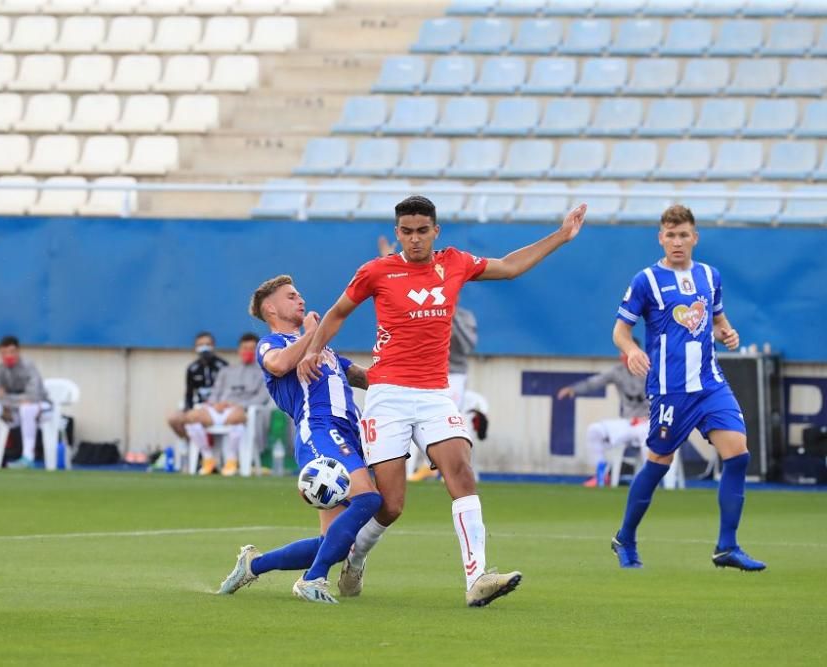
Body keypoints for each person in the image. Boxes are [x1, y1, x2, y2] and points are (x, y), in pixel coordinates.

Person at [298, 195, 587, 607]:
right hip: (388, 397)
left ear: (436, 231)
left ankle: (477, 578)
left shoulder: (455, 263)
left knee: (462, 472)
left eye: (422, 231)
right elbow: (339, 311)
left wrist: (560, 235)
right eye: (407, 232)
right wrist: (313, 350)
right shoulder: (377, 271)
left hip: (436, 394)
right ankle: (356, 558)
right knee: (391, 504)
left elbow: (509, 266)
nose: (414, 239)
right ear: (397, 233)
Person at [610, 205, 765, 572]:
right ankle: (625, 538)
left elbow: (716, 317)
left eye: (683, 235)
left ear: (694, 238)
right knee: (658, 463)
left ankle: (727, 546)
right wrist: (631, 350)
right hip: (670, 390)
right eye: (670, 235)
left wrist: (726, 331)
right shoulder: (646, 280)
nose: (676, 242)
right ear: (660, 238)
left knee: (738, 454)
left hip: (710, 384)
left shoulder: (710, 276)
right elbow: (621, 329)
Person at [217, 275, 380, 603]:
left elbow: (363, 377)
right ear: (271, 308)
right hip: (319, 429)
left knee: (333, 543)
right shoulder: (272, 344)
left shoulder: (320, 347)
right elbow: (278, 366)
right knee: (369, 500)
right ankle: (313, 579)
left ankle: (254, 565)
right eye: (291, 296)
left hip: (349, 432)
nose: (301, 300)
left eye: (299, 295)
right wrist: (310, 334)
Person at [379, 236, 479, 482]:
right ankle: (409, 471)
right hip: (416, 374)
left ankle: (449, 471)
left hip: (451, 374)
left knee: (450, 420)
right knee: (407, 422)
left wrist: (448, 314)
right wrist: (385, 260)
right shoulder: (416, 303)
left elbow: (467, 345)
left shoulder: (463, 317)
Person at [556, 340, 649, 488]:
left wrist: (651, 416)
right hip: (628, 422)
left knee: (648, 437)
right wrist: (573, 389)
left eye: (625, 353)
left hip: (649, 422)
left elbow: (666, 396)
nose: (622, 356)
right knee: (595, 430)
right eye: (621, 353)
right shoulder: (618, 372)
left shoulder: (652, 371)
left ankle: (648, 480)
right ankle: (602, 474)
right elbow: (595, 382)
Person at [182, 332, 268, 476]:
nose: (248, 352)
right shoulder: (227, 370)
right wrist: (215, 404)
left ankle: (231, 460)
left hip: (240, 411)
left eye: (252, 348)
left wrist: (240, 405)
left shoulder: (264, 373)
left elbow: (262, 398)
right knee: (191, 416)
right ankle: (208, 459)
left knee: (236, 418)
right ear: (239, 350)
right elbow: (215, 392)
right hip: (219, 409)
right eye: (244, 348)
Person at [0, 336, 50, 469]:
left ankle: (28, 457)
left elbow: (33, 396)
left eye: (11, 351)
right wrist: (19, 400)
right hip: (13, 411)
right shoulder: (0, 369)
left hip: (42, 408)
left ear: (18, 351)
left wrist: (7, 398)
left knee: (27, 409)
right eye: (4, 353)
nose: (8, 356)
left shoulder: (29, 366)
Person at [166, 331, 228, 441]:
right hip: (197, 407)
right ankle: (190, 442)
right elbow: (189, 394)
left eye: (207, 344)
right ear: (195, 347)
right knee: (173, 419)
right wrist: (187, 409)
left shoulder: (223, 366)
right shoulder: (192, 368)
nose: (204, 348)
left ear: (213, 346)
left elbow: (228, 391)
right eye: (200, 345)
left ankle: (204, 449)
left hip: (216, 409)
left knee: (195, 418)